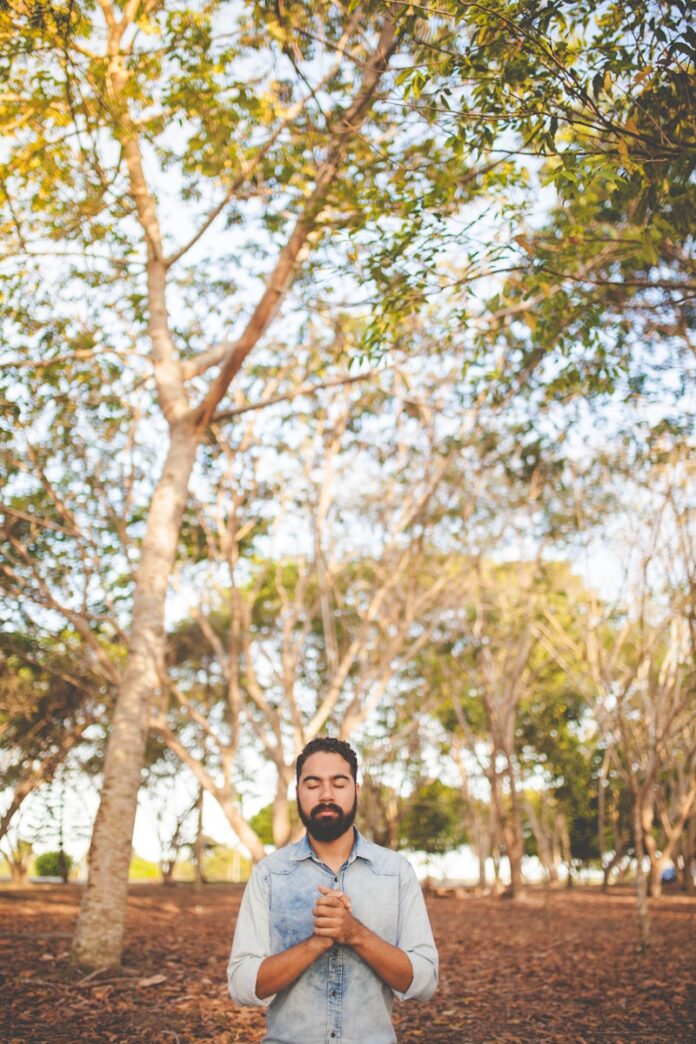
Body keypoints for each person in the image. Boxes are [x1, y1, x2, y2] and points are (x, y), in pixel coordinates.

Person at [228, 737, 438, 1044]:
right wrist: (316, 943)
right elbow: (242, 986)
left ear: (356, 790)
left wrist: (354, 934)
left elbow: (424, 983)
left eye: (339, 783)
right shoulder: (269, 875)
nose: (326, 795)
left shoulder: (396, 872)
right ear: (297, 792)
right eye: (312, 785)